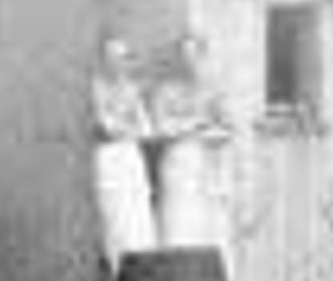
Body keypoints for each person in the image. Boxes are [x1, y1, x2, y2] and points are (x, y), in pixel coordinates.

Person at [146, 29, 237, 255]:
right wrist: (196, 124)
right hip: (178, 161)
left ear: (203, 57)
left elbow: (227, 128)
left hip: (207, 164)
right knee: (178, 219)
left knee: (209, 225)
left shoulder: (214, 89)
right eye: (184, 57)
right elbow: (160, 129)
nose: (189, 63)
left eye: (195, 56)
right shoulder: (165, 91)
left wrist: (202, 133)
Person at [89, 36, 159, 266]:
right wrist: (128, 128)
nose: (118, 63)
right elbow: (105, 127)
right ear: (102, 60)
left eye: (123, 57)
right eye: (112, 57)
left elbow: (148, 129)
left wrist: (126, 128)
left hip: (130, 158)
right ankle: (117, 271)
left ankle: (141, 272)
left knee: (138, 218)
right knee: (115, 219)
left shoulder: (132, 89)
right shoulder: (95, 88)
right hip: (108, 159)